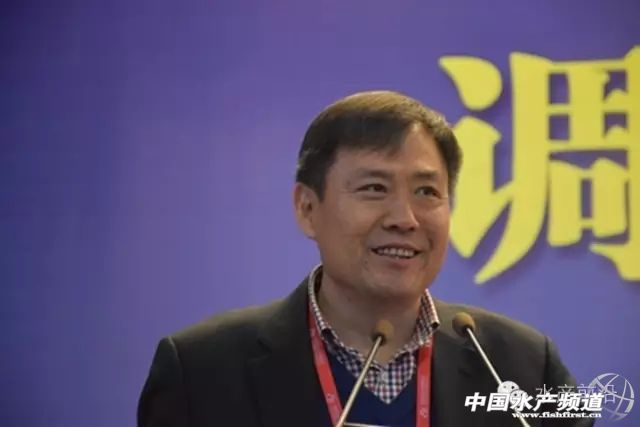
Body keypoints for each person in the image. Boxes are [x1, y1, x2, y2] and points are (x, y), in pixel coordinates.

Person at [138, 91, 593, 426]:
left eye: (427, 192)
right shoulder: (202, 373)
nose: (405, 219)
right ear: (307, 208)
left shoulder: (523, 366)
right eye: (375, 188)